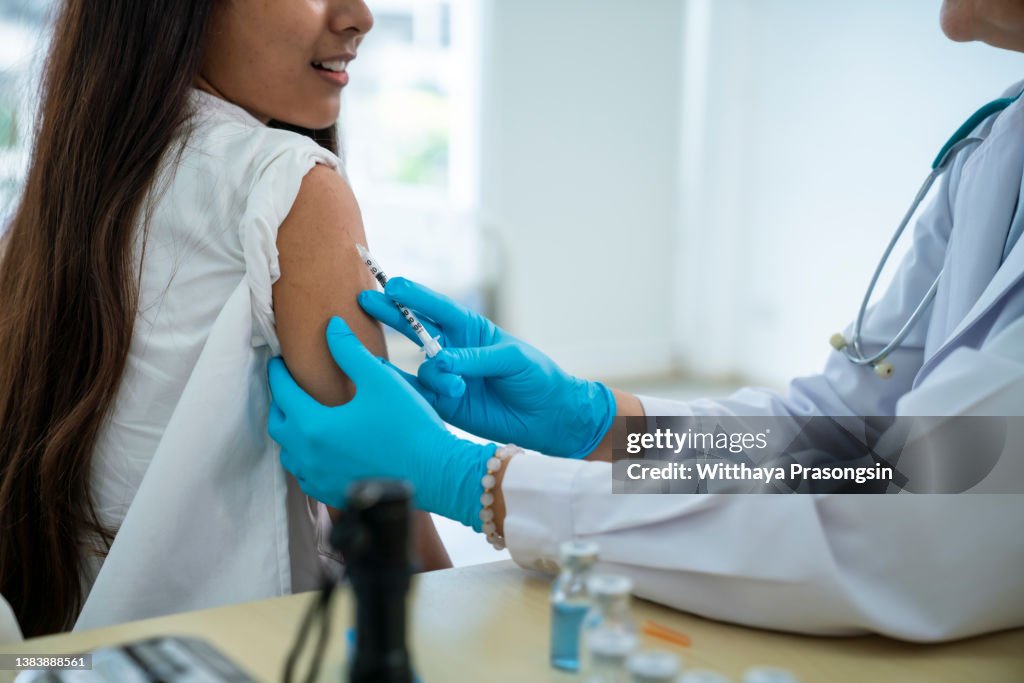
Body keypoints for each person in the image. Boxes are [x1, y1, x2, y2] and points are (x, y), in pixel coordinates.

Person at [267, 0, 1024, 643]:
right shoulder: (997, 145)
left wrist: (479, 483)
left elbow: (906, 523)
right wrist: (600, 424)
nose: (360, 14)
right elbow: (843, 434)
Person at [0, 0, 451, 638]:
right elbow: (393, 540)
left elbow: (646, 473)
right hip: (239, 652)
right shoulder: (289, 181)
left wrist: (596, 431)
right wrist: (497, 477)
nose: (361, 16)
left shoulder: (59, 200)